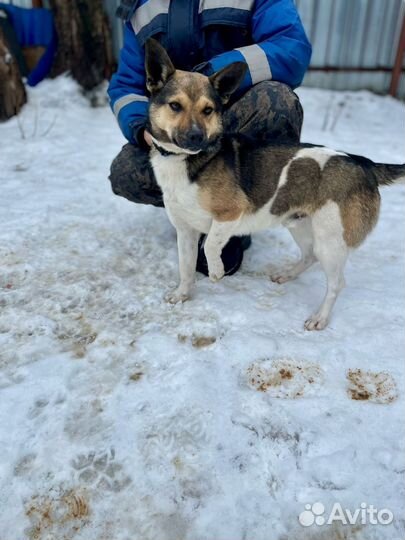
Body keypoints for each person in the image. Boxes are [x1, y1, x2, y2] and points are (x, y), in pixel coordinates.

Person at [108, 0, 312, 276]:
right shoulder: (143, 6)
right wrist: (141, 129)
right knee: (126, 172)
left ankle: (237, 215)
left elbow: (292, 49)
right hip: (173, 139)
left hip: (237, 124)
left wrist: (209, 78)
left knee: (276, 101)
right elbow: (126, 86)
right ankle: (197, 214)